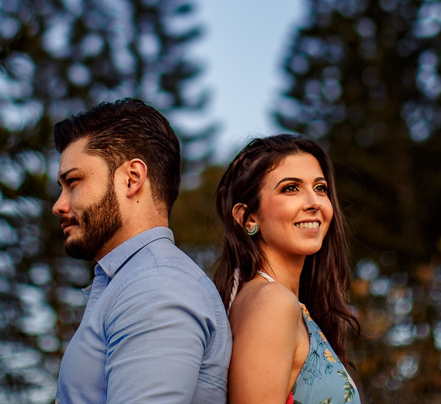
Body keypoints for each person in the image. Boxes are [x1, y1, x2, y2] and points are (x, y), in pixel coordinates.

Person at [52, 98, 230, 404]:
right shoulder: (134, 282)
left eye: (73, 181)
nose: (59, 205)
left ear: (132, 178)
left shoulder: (157, 288)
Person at [212, 135, 360, 404]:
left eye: (321, 188)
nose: (314, 202)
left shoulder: (279, 302)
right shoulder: (272, 302)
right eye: (291, 188)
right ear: (247, 219)